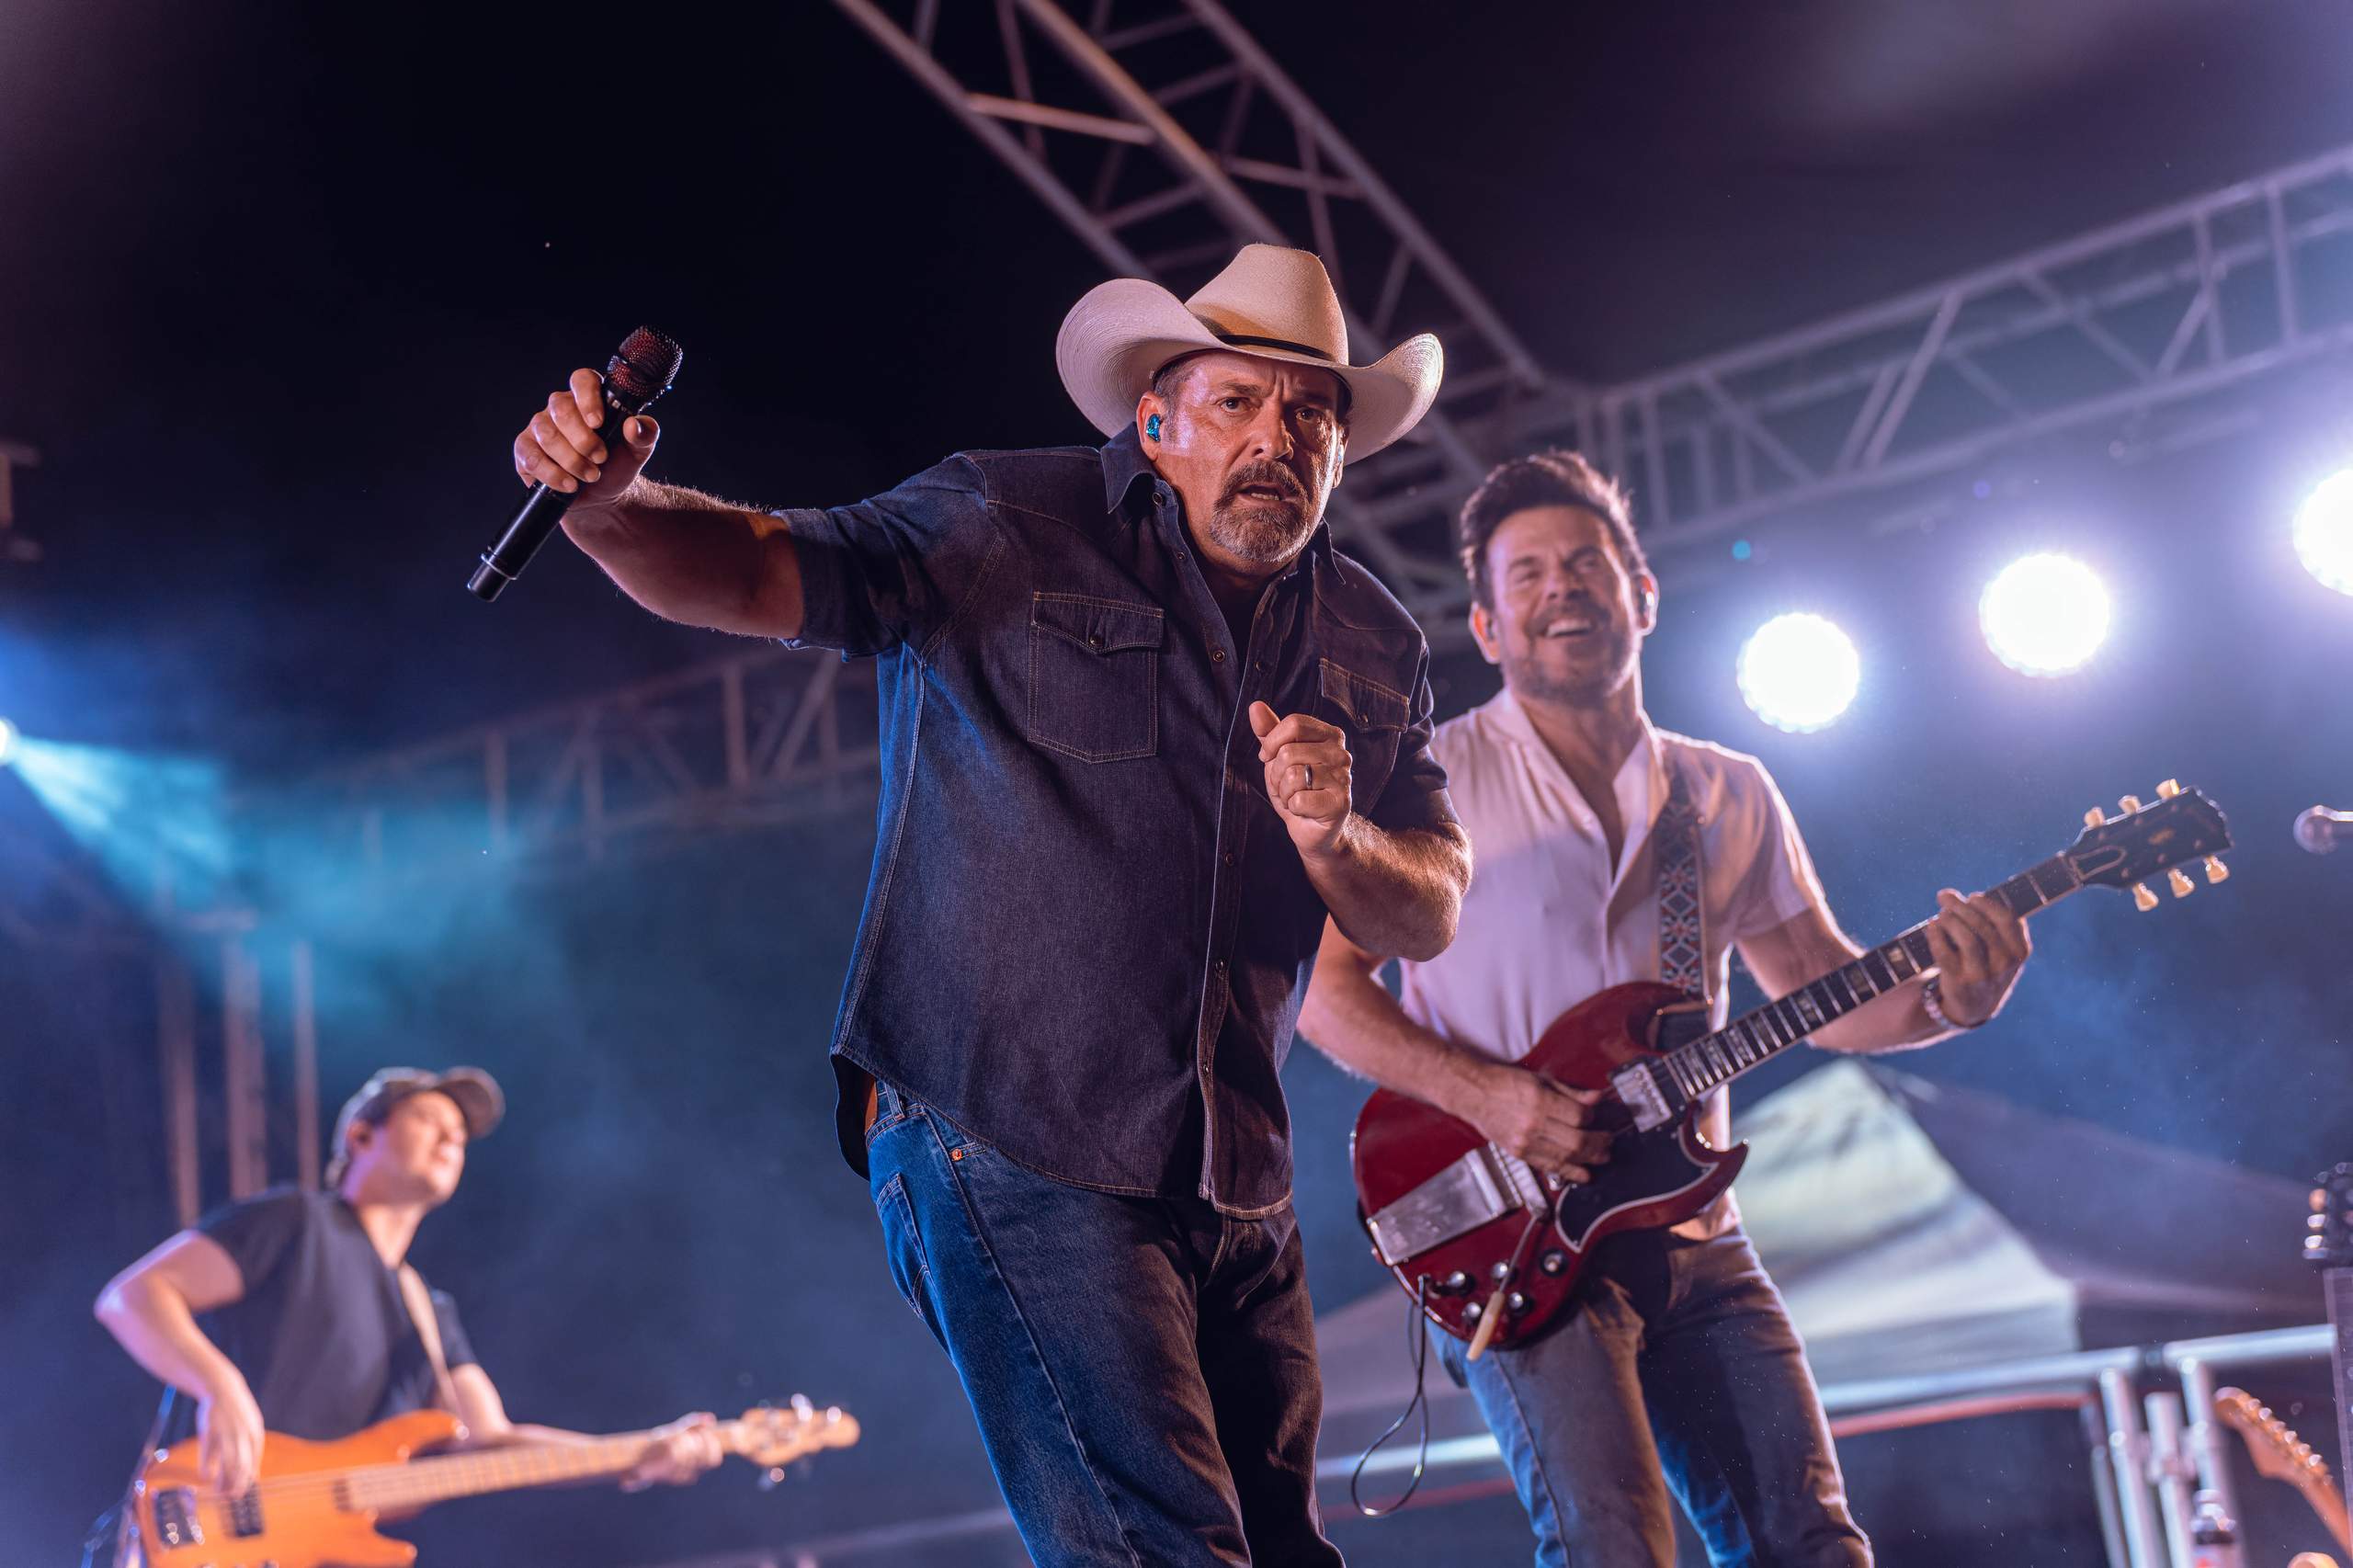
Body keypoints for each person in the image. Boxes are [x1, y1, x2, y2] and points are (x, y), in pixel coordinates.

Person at [506, 244, 1472, 1565]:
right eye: (1237, 401)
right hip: (1009, 1128)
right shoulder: (1007, 523)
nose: (1277, 437)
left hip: (1234, 1171)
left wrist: (1338, 831)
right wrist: (611, 506)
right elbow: (751, 568)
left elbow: (1426, 908)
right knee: (1164, 1552)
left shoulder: (1373, 637)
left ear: (1345, 447)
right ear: (1157, 418)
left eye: (1312, 411)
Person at [1298, 450, 2033, 1568]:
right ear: (1490, 627)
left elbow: (1826, 994)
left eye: (1588, 562)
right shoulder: (1423, 784)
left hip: (1701, 1235)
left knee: (1817, 1547)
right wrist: (1495, 1100)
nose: (1564, 588)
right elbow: (1323, 994)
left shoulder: (1726, 788)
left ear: (1642, 594)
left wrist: (1954, 1001)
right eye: (1529, 573)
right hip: (1511, 1225)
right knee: (1615, 1553)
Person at [93, 1067, 723, 1501]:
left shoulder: (428, 1310)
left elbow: (492, 1441)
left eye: (460, 1134)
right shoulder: (296, 1222)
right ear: (362, 1136)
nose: (453, 1137)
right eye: (429, 1119)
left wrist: (637, 1451)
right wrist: (219, 1386)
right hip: (205, 1524)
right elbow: (135, 1296)